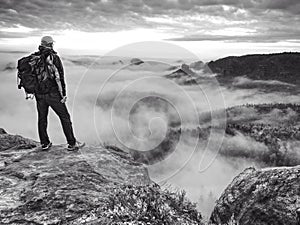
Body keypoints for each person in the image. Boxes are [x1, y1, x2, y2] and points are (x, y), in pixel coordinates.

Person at [31, 36, 84, 151]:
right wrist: (63, 94)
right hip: (53, 94)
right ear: (50, 44)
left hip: (39, 95)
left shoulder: (35, 58)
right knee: (65, 117)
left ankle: (44, 143)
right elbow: (59, 77)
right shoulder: (53, 58)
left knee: (42, 119)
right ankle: (72, 143)